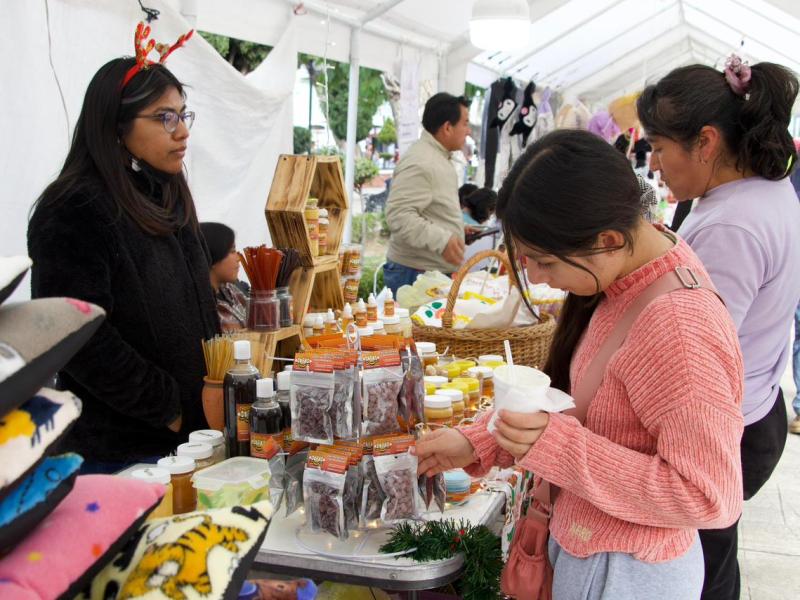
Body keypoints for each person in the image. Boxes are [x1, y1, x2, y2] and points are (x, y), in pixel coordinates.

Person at [414, 130, 744, 600]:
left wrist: (560, 448)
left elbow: (706, 494)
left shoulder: (678, 325)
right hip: (596, 555)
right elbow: (585, 405)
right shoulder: (628, 271)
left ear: (607, 239)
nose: (535, 277)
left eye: (545, 262)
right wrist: (480, 440)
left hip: (626, 574)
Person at [637, 57, 800, 599]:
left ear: (706, 142)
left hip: (725, 428)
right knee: (714, 559)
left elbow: (696, 353)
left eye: (659, 147)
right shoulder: (761, 193)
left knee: (702, 570)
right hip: (753, 409)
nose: (654, 164)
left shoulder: (732, 224)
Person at [27, 31, 219, 474]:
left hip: (189, 439)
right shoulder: (74, 206)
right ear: (117, 127)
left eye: (183, 114)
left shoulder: (167, 191)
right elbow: (75, 335)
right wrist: (168, 407)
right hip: (119, 451)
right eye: (165, 118)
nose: (183, 131)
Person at [384, 93, 472, 295]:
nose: (468, 131)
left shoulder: (436, 157)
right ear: (447, 128)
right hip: (414, 274)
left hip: (426, 273)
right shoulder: (422, 161)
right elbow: (399, 216)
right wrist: (443, 240)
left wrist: (457, 230)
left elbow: (429, 210)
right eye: (465, 123)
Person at [199, 222, 248, 332]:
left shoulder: (231, 290)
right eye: (232, 251)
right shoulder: (204, 309)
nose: (238, 258)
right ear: (213, 255)